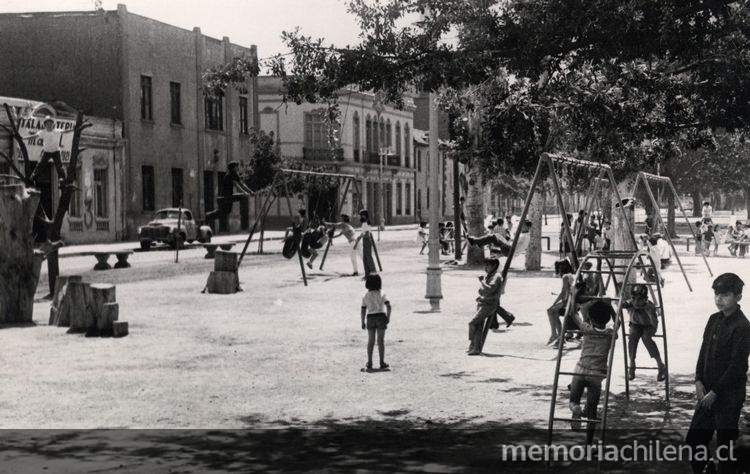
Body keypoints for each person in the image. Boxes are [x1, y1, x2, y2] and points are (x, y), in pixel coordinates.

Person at [685, 273, 750, 474]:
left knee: (726, 448)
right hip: (706, 394)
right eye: (716, 294)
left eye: (726, 294)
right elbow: (703, 353)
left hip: (727, 396)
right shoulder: (713, 319)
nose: (719, 299)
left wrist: (715, 392)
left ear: (738, 296)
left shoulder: (743, 327)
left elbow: (737, 366)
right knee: (694, 442)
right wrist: (697, 380)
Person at [568, 301, 617, 445]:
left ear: (590, 318)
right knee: (592, 410)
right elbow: (618, 321)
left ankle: (576, 408)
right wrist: (611, 308)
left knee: (573, 400)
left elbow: (572, 314)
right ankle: (588, 443)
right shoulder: (610, 333)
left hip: (580, 368)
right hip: (596, 373)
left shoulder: (586, 329)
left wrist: (574, 295)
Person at [622, 284, 666, 382]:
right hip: (635, 324)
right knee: (632, 335)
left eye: (640, 299)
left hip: (649, 325)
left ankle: (660, 365)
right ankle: (632, 363)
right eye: (634, 298)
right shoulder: (630, 303)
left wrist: (646, 310)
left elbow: (654, 322)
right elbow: (620, 304)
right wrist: (622, 304)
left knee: (646, 337)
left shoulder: (649, 306)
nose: (636, 302)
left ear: (646, 299)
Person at [467, 257, 503, 355]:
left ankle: (473, 344)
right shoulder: (489, 275)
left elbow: (490, 289)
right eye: (485, 265)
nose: (485, 267)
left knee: (472, 323)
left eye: (488, 265)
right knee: (478, 325)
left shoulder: (496, 276)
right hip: (483, 302)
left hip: (488, 304)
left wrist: (482, 281)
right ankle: (475, 347)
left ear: (494, 266)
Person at [23, 116, 74, 185]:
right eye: (47, 124)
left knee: (59, 166)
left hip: (56, 151)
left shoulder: (57, 131)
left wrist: (73, 129)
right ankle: (33, 178)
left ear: (53, 125)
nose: (49, 126)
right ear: (45, 125)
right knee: (40, 165)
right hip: (46, 151)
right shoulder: (42, 132)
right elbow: (34, 136)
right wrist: (24, 138)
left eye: (50, 124)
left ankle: (62, 179)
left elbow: (65, 131)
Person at [205, 161, 253, 227]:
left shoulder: (235, 174)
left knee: (225, 212)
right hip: (225, 197)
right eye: (236, 166)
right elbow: (236, 185)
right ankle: (208, 215)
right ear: (233, 168)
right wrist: (244, 192)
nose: (238, 168)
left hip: (230, 196)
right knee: (241, 196)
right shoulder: (229, 175)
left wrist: (250, 191)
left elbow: (242, 184)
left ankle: (209, 215)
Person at [360, 274, 391, 370]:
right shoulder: (382, 293)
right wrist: (388, 317)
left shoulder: (365, 295)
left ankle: (369, 362)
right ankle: (382, 362)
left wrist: (362, 322)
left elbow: (363, 310)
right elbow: (389, 306)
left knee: (371, 342)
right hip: (381, 316)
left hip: (370, 318)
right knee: (380, 342)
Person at [547, 259, 576, 345]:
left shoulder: (565, 277)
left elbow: (563, 292)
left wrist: (555, 303)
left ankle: (554, 334)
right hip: (571, 300)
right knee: (554, 313)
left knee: (550, 311)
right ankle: (560, 337)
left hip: (568, 301)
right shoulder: (570, 275)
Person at [354, 209, 377, 275]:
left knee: (368, 257)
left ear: (364, 216)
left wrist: (361, 237)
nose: (360, 217)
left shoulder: (366, 223)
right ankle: (367, 273)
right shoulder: (364, 223)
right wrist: (359, 238)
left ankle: (373, 271)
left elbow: (366, 234)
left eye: (361, 215)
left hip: (367, 240)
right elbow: (363, 233)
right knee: (365, 258)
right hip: (365, 240)